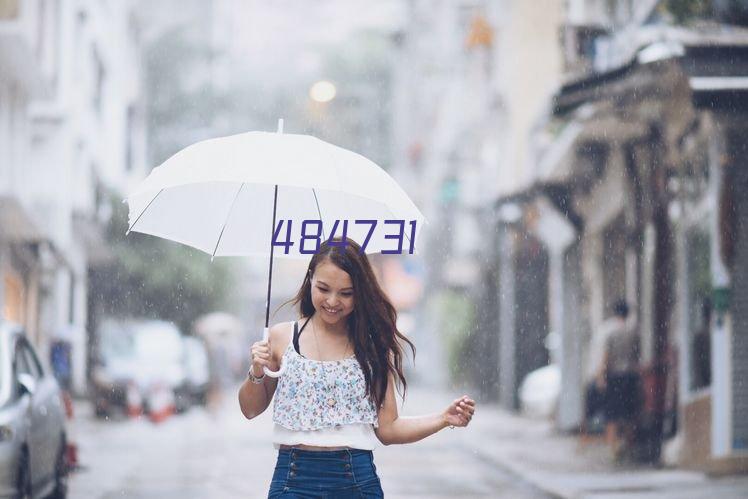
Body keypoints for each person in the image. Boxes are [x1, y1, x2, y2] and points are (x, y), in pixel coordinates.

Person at [238, 238, 476, 498]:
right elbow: (250, 409)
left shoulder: (372, 346)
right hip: (293, 480)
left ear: (359, 292)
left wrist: (443, 419)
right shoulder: (282, 337)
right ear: (309, 281)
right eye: (323, 288)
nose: (332, 301)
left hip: (356, 480)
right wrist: (257, 370)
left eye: (346, 293)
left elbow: (388, 429)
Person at [601, 300, 640, 460]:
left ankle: (613, 449)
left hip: (614, 376)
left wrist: (601, 375)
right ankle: (629, 447)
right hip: (630, 376)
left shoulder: (611, 333)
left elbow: (606, 357)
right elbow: (637, 355)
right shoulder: (633, 333)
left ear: (616, 313)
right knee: (629, 414)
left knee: (612, 415)